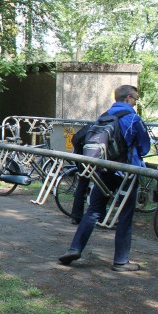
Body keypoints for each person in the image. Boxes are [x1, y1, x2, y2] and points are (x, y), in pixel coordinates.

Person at [59, 85, 151, 272]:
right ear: (128, 98)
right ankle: (121, 261)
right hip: (127, 172)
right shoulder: (133, 118)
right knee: (125, 215)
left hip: (103, 170)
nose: (136, 102)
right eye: (136, 98)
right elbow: (145, 147)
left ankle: (75, 248)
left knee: (93, 210)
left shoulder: (103, 116)